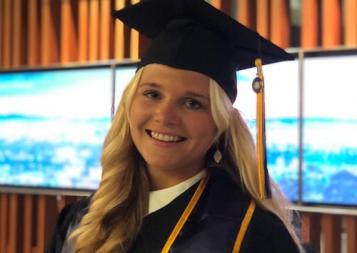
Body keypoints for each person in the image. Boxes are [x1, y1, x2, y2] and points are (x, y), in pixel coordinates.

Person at [47, 0, 304, 252]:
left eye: (192, 103)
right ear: (129, 105)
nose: (165, 116)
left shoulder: (251, 234)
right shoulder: (81, 219)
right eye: (152, 94)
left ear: (220, 124)